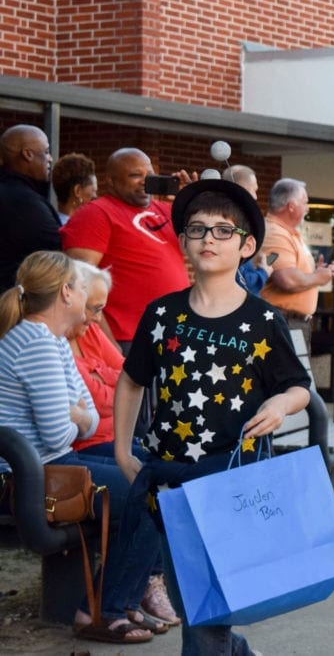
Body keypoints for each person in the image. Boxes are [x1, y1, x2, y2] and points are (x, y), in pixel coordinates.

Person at [113, 178, 311, 656]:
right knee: (192, 599)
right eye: (197, 230)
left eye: (223, 231)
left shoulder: (264, 321)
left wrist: (279, 404)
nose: (207, 239)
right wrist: (123, 449)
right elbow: (132, 380)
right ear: (182, 242)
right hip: (169, 481)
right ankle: (234, 649)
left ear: (246, 246)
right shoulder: (162, 315)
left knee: (206, 611)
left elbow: (298, 387)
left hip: (232, 479)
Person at [0, 251, 163, 644]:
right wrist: (73, 415)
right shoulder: (36, 342)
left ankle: (119, 599)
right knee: (154, 493)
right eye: (81, 286)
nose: (87, 295)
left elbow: (86, 415)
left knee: (160, 471)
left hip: (53, 464)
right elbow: (60, 434)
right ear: (66, 292)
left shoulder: (52, 339)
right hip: (30, 476)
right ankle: (102, 610)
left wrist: (74, 414)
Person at [67, 260, 181, 627]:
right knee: (153, 489)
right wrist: (109, 388)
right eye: (94, 307)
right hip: (82, 447)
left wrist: (105, 388)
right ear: (70, 296)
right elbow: (105, 393)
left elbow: (130, 376)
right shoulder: (53, 336)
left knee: (172, 472)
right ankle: (123, 597)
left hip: (111, 437)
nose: (97, 317)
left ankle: (140, 588)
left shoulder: (89, 330)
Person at [60, 147, 191, 351]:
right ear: (110, 181)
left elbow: (206, 246)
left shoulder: (166, 210)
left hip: (174, 335)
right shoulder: (96, 213)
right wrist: (108, 344)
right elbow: (78, 283)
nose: (144, 182)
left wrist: (191, 202)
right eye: (135, 175)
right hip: (127, 337)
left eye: (149, 176)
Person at [259, 177, 334, 347]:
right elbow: (287, 279)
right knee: (288, 374)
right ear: (291, 206)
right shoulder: (275, 234)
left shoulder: (289, 233)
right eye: (305, 202)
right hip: (283, 322)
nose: (307, 208)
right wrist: (318, 278)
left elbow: (289, 271)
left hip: (292, 323)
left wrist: (318, 272)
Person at [0, 124, 60, 290]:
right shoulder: (25, 203)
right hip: (14, 303)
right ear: (28, 154)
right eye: (46, 152)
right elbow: (59, 252)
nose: (50, 159)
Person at [222, 165, 275, 294]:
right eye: (254, 190)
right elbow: (244, 282)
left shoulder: (227, 221)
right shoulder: (232, 225)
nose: (256, 197)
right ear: (243, 190)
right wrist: (264, 271)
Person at [51, 152, 98, 225]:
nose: (95, 197)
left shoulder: (50, 223)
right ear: (77, 191)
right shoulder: (76, 230)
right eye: (94, 190)